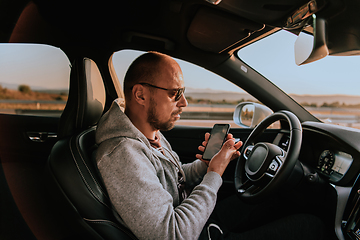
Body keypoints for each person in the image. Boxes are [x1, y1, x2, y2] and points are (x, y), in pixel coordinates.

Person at [95, 52, 324, 240]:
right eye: (175, 93)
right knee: (310, 227)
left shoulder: (149, 134)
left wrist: (204, 166)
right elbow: (172, 234)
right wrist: (215, 173)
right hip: (191, 232)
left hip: (197, 219)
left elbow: (169, 179)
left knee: (278, 197)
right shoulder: (123, 155)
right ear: (140, 95)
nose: (184, 103)